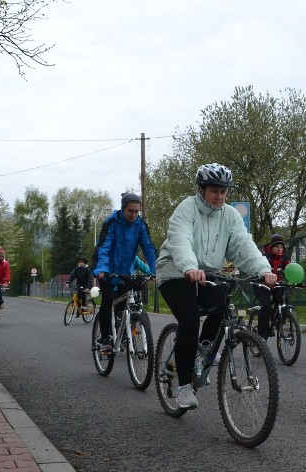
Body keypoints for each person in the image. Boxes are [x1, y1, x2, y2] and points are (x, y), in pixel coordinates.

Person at [155, 163, 275, 410]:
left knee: (222, 306)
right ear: (202, 190)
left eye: (223, 192)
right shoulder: (186, 209)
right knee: (189, 320)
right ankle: (184, 386)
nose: (219, 196)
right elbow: (180, 239)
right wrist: (189, 266)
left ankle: (203, 350)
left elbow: (243, 245)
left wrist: (263, 270)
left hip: (208, 272)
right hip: (175, 271)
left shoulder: (230, 215)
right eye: (214, 191)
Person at [92, 192, 157, 356]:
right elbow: (104, 247)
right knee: (108, 300)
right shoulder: (112, 222)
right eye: (130, 211)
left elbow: (148, 248)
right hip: (106, 268)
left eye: (137, 211)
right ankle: (105, 340)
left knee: (122, 305)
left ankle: (123, 329)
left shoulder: (140, 224)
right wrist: (102, 268)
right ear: (123, 209)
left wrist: (156, 271)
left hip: (125, 270)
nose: (134, 215)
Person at [254, 233, 291, 340]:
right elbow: (258, 270)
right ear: (271, 247)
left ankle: (277, 319)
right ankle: (261, 336)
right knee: (266, 306)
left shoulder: (285, 257)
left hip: (276, 283)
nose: (280, 249)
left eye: (281, 247)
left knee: (284, 298)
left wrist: (296, 280)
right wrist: (264, 279)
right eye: (277, 247)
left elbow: (289, 269)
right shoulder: (265, 257)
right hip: (261, 284)